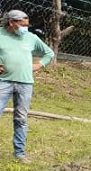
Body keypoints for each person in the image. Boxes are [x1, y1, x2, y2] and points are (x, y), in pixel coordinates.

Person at [0, 10, 55, 163]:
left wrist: (40, 65)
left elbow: (49, 53)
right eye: (22, 25)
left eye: (27, 25)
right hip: (3, 82)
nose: (25, 28)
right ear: (11, 22)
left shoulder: (31, 38)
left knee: (21, 118)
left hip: (25, 84)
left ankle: (19, 153)